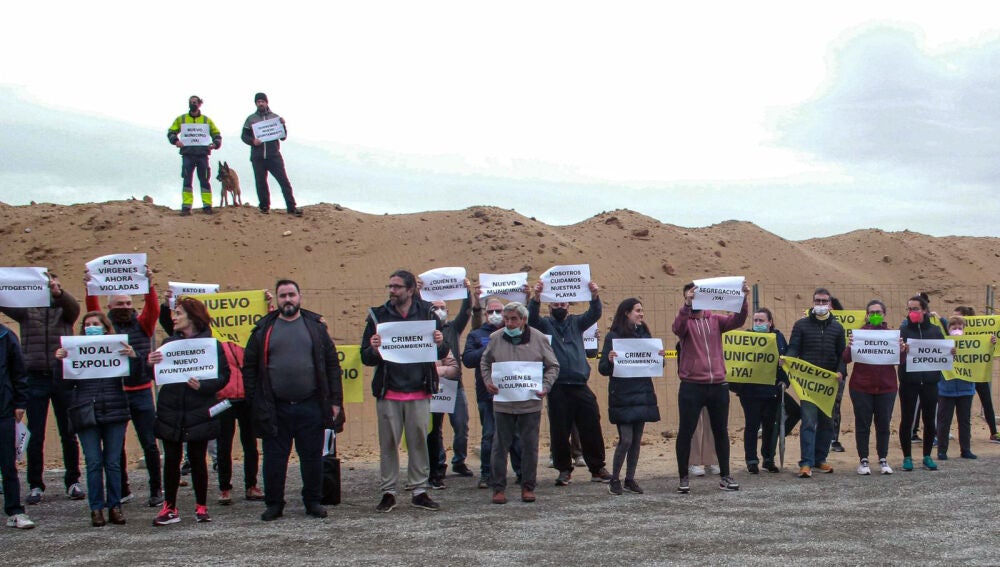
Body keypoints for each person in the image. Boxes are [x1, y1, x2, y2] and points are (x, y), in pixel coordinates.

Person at [244, 280, 342, 521]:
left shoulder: (316, 328)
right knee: (274, 460)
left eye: (291, 294)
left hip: (311, 405)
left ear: (299, 297)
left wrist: (335, 401)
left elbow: (332, 365)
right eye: (283, 295)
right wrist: (255, 400)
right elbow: (249, 368)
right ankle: (274, 504)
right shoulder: (263, 330)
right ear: (277, 300)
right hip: (275, 408)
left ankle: (313, 502)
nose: (287, 299)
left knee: (312, 458)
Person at [362, 270, 446, 513]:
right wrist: (373, 349)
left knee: (418, 442)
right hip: (389, 391)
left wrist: (440, 342)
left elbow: (442, 351)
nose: (392, 291)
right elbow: (365, 357)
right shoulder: (378, 316)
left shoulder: (427, 314)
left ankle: (419, 491)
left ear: (410, 290)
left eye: (397, 287)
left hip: (419, 390)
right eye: (390, 286)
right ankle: (388, 492)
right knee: (388, 443)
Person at [0, 271, 83, 505]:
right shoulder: (27, 310)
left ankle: (73, 481)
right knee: (35, 433)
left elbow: (74, 309)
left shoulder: (64, 310)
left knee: (69, 431)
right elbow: (5, 301)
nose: (48, 288)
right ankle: (36, 484)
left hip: (62, 376)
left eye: (53, 284)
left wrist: (59, 293)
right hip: (35, 378)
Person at [148, 297, 230, 525]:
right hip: (171, 410)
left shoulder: (212, 346)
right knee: (172, 459)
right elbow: (155, 376)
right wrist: (151, 363)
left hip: (198, 410)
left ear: (192, 317)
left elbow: (224, 376)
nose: (174, 317)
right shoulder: (168, 344)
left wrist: (203, 386)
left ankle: (201, 506)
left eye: (179, 313)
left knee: (197, 459)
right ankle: (169, 508)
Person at [85, 272, 164, 507]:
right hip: (116, 393)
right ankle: (122, 489)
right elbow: (92, 310)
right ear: (109, 306)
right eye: (120, 303)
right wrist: (90, 287)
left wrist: (149, 285)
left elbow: (153, 309)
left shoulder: (143, 325)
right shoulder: (105, 329)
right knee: (115, 446)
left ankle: (156, 489)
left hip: (142, 392)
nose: (126, 307)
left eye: (129, 303)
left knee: (149, 443)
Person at [527, 280, 610, 485]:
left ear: (568, 306)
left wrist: (594, 296)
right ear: (549, 306)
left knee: (591, 425)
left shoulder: (577, 322)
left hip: (580, 384)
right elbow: (531, 318)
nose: (559, 307)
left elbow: (594, 314)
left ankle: (597, 468)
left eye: (563, 304)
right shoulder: (545, 324)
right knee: (559, 430)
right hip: (557, 387)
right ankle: (564, 470)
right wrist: (536, 298)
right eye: (555, 304)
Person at [55, 312, 132, 526]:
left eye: (95, 324)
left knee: (113, 462)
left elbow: (134, 378)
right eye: (87, 324)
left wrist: (132, 358)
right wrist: (60, 363)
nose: (91, 327)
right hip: (86, 411)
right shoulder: (75, 351)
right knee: (93, 462)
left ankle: (115, 506)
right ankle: (96, 509)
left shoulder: (118, 348)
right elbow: (63, 385)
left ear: (105, 327)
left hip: (115, 410)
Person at [480, 302, 559, 504]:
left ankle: (528, 486)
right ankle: (498, 488)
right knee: (500, 446)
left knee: (529, 446)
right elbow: (485, 362)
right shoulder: (495, 338)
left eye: (514, 319)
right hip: (504, 402)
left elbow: (553, 366)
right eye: (506, 319)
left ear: (524, 319)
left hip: (529, 402)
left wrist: (545, 386)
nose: (509, 323)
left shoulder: (539, 338)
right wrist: (488, 381)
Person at [673, 281, 748, 493]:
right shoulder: (685, 321)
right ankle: (683, 477)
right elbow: (677, 328)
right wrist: (687, 305)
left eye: (696, 294)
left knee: (721, 431)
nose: (693, 297)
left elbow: (738, 320)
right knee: (686, 431)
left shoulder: (715, 320)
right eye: (689, 294)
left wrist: (743, 299)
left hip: (718, 386)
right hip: (692, 386)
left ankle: (725, 476)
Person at [597, 298, 661, 495]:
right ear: (626, 312)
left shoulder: (644, 334)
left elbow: (654, 363)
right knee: (626, 439)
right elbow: (603, 369)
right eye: (637, 310)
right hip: (622, 396)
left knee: (636, 440)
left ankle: (630, 479)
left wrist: (659, 357)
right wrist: (609, 360)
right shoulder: (613, 337)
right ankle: (614, 479)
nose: (641, 314)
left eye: (642, 310)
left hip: (642, 393)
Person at [784, 287, 846, 478]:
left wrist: (841, 371)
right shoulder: (801, 325)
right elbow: (794, 348)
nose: (820, 304)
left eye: (824, 301)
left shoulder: (837, 328)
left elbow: (842, 355)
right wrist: (787, 360)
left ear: (830, 304)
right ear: (812, 303)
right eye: (817, 301)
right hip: (808, 384)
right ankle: (806, 463)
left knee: (827, 423)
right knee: (809, 422)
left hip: (829, 384)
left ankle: (820, 459)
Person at [463, 296, 523, 490]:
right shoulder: (476, 335)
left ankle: (521, 473)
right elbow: (468, 360)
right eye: (491, 311)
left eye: (499, 311)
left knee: (515, 435)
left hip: (512, 393)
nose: (495, 315)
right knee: (489, 435)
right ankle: (487, 474)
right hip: (487, 394)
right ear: (485, 314)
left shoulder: (515, 333)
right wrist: (489, 346)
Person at [424, 278, 480, 483]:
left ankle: (459, 460)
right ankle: (439, 462)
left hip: (454, 385)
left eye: (443, 308)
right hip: (432, 386)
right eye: (435, 308)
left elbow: (466, 312)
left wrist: (467, 292)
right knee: (435, 428)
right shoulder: (423, 330)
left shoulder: (453, 328)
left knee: (461, 424)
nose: (440, 311)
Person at [842, 300, 899, 475]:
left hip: (887, 387)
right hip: (861, 387)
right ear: (867, 315)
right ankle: (863, 460)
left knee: (883, 424)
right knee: (863, 424)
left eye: (878, 312)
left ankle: (883, 459)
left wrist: (902, 348)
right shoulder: (859, 334)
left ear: (884, 315)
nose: (875, 315)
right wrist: (850, 346)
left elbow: (901, 360)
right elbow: (846, 358)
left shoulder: (891, 335)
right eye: (872, 312)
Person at [732, 307, 787, 474]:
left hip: (772, 390)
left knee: (770, 426)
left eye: (761, 320)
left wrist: (785, 380)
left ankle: (768, 459)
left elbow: (787, 360)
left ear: (770, 322)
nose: (757, 323)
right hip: (750, 391)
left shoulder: (778, 338)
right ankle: (751, 460)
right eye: (755, 320)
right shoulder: (747, 338)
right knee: (752, 425)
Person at [898, 294, 946, 472]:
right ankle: (907, 457)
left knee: (929, 419)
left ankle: (927, 456)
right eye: (909, 309)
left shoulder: (935, 331)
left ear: (924, 310)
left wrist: (951, 352)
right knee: (907, 419)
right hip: (908, 382)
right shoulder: (903, 331)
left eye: (915, 309)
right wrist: (902, 350)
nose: (912, 312)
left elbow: (943, 352)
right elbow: (896, 357)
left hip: (930, 382)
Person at [215, 339, 263, 504]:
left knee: (250, 444)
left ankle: (251, 485)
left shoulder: (248, 340)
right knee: (223, 446)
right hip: (224, 398)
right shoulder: (216, 341)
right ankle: (224, 488)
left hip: (246, 398)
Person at [937, 316, 989, 461]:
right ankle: (942, 451)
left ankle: (966, 450)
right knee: (944, 421)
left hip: (966, 388)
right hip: (946, 389)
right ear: (948, 329)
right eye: (954, 327)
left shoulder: (971, 345)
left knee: (964, 421)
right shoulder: (943, 344)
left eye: (960, 328)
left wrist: (990, 343)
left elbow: (982, 353)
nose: (957, 330)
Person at [241, 92, 302, 216]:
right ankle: (264, 207)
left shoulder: (275, 118)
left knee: (284, 181)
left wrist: (283, 125)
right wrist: (252, 141)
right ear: (255, 103)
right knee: (261, 183)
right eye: (258, 102)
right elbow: (244, 136)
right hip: (258, 157)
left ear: (266, 102)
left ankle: (291, 207)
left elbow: (283, 137)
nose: (260, 104)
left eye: (262, 101)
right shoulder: (251, 119)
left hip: (274, 156)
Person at [0, 321, 35, 529]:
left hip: (3, 410)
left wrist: (20, 402)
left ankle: (14, 512)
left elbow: (19, 372)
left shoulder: (5, 336)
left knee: (7, 463)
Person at [166, 95, 222, 216]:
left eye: (195, 102)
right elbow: (171, 132)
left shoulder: (207, 120)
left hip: (202, 155)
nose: (193, 104)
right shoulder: (182, 119)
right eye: (191, 102)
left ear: (200, 104)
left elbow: (217, 134)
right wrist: (176, 141)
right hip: (187, 154)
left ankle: (207, 206)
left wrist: (215, 144)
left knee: (205, 180)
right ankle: (186, 207)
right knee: (187, 181)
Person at [952, 306, 1000, 444]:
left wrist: (991, 343)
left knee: (986, 401)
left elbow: (986, 348)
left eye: (957, 316)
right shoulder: (953, 332)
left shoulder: (979, 334)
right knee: (961, 405)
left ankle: (994, 432)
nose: (954, 319)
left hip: (977, 371)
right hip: (962, 372)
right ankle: (960, 434)